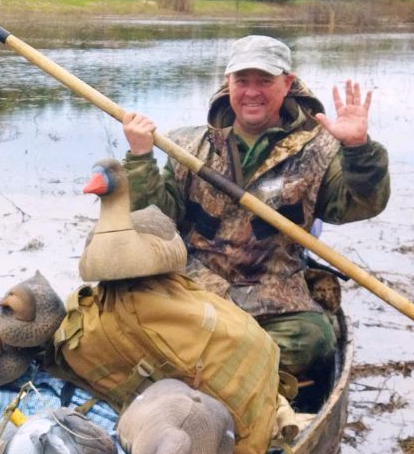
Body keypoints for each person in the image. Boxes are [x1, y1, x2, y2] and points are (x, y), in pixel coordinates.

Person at [120, 34, 390, 382]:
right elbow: (156, 222)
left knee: (314, 342)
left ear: (287, 83)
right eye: (242, 80)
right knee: (125, 309)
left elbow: (358, 205)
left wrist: (358, 150)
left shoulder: (320, 148)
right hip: (195, 288)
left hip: (274, 295)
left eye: (264, 81)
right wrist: (141, 159)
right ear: (227, 82)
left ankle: (194, 364)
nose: (251, 92)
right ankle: (234, 367)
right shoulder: (188, 144)